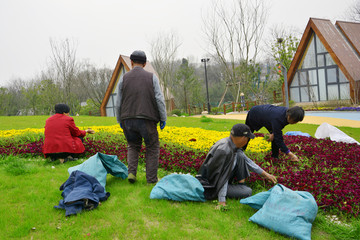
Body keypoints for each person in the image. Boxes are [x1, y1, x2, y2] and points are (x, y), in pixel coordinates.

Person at [115, 50, 167, 184]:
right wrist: (163, 118)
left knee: (132, 145)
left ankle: (132, 173)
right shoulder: (152, 77)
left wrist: (119, 119)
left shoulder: (124, 78)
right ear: (144, 64)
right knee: (152, 147)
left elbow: (118, 102)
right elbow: (159, 99)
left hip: (128, 119)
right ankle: (151, 180)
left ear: (131, 63)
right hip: (147, 119)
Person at [196, 124, 277, 208]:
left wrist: (266, 175)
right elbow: (222, 177)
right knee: (248, 192)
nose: (248, 141)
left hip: (218, 179)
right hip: (212, 185)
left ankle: (241, 186)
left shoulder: (232, 145)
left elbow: (248, 162)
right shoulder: (225, 151)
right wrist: (222, 201)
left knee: (241, 156)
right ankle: (239, 188)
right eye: (248, 138)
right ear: (243, 138)